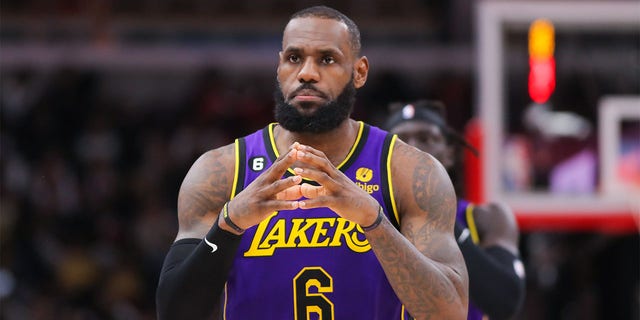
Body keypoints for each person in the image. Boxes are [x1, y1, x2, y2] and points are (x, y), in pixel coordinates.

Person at [155, 6, 468, 320]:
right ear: (279, 67)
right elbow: (173, 312)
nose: (306, 73)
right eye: (294, 58)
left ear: (359, 72)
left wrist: (376, 223)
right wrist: (229, 224)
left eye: (326, 59)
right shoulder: (221, 171)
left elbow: (451, 313)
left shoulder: (406, 170)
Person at [384, 100, 526, 320]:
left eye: (425, 138)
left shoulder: (487, 218)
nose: (412, 149)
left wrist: (439, 216)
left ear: (449, 153)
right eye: (400, 141)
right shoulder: (366, 218)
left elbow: (505, 301)